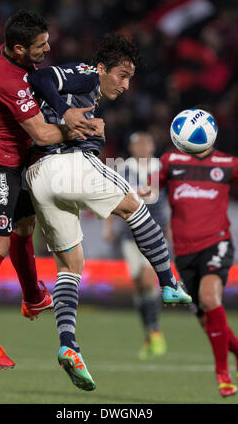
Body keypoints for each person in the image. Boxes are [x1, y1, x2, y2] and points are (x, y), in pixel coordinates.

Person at [25, 33, 192, 391]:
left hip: (38, 178)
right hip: (67, 165)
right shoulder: (85, 72)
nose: (126, 84)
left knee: (71, 267)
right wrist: (69, 115)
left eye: (130, 78)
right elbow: (39, 77)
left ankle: (68, 345)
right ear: (102, 68)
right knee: (136, 205)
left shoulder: (88, 93)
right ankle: (168, 282)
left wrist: (70, 119)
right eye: (122, 74)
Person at [0, 9, 99, 369]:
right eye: (40, 45)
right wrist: (79, 128)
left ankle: (33, 296)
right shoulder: (7, 78)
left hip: (19, 160)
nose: (47, 48)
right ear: (18, 49)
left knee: (25, 229)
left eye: (47, 41)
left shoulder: (12, 53)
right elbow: (42, 133)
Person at [159, 143, 238, 397]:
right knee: (205, 319)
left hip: (217, 242)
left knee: (210, 297)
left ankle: (222, 373)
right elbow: (146, 191)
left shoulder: (229, 164)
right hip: (183, 252)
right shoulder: (170, 161)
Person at [103, 132, 167, 360]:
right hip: (131, 234)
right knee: (139, 284)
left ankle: (156, 332)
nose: (142, 147)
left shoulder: (162, 167)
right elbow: (113, 197)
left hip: (156, 231)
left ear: (152, 145)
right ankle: (148, 332)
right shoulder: (122, 169)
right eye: (137, 143)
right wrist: (108, 226)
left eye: (145, 142)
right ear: (131, 148)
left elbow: (171, 199)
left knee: (149, 280)